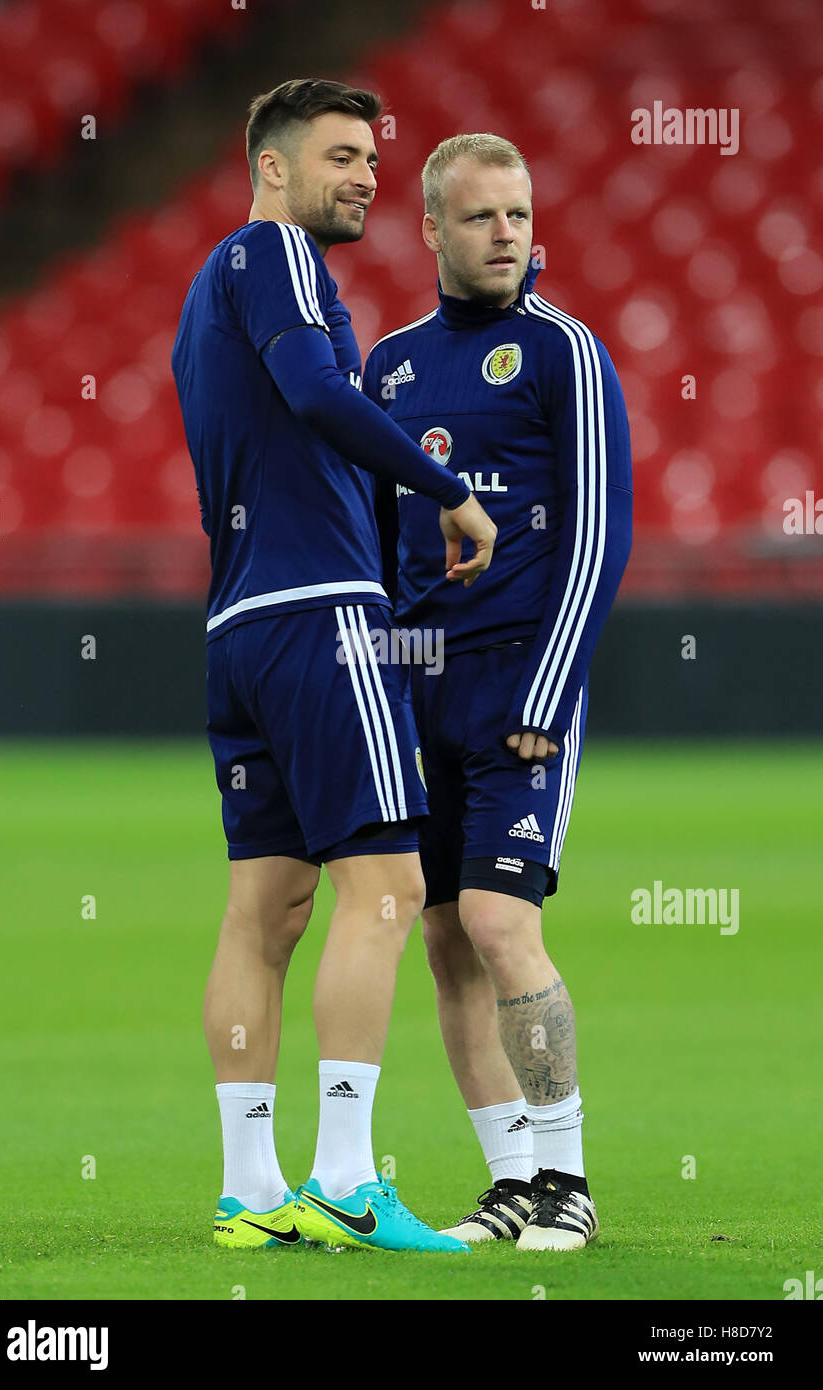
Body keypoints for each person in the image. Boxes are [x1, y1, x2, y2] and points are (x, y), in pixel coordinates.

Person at [171, 82, 496, 1253]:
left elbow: (282, 430)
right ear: (271, 168)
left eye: (372, 158)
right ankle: (349, 1178)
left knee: (265, 907)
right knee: (388, 888)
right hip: (318, 615)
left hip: (237, 627)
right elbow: (315, 395)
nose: (366, 176)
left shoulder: (202, 300)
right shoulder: (277, 253)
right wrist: (448, 488)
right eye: (342, 155)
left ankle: (249, 1191)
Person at [363, 133, 632, 1250]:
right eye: (480, 218)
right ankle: (510, 1182)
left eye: (517, 215)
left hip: (521, 683)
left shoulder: (564, 351)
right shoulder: (389, 367)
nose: (505, 235)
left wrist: (549, 681)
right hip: (418, 689)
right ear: (429, 228)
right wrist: (373, 682)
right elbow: (377, 549)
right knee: (443, 938)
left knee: (497, 917)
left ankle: (567, 1177)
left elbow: (599, 534)